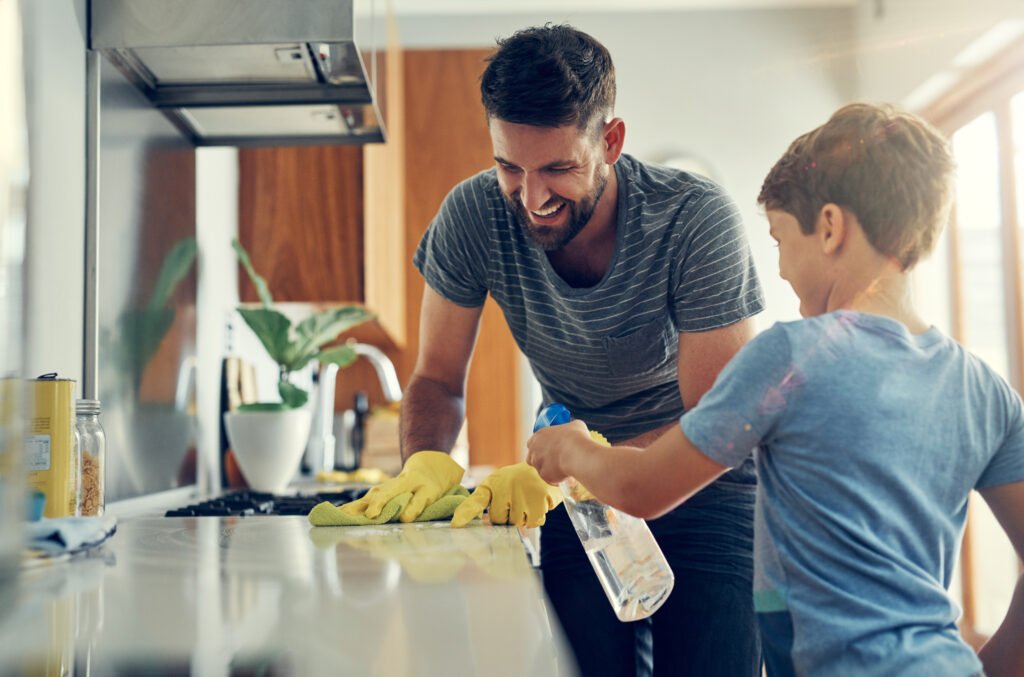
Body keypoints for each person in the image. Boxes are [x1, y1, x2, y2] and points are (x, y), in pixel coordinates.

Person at [527, 102, 1024, 677]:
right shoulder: (986, 390)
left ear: (831, 227)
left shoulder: (791, 358)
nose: (782, 269)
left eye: (781, 239)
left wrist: (569, 448)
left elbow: (644, 489)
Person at [341, 23, 764, 677]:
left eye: (558, 169)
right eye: (509, 166)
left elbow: (717, 424)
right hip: (579, 496)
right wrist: (425, 463)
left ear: (611, 141)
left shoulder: (693, 219)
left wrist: (588, 458)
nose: (531, 198)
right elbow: (437, 379)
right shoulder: (475, 215)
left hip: (700, 492)